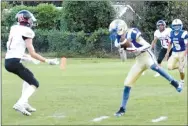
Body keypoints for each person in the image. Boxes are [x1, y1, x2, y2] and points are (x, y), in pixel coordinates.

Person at [108, 19, 183, 117]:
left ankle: (175, 82)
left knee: (155, 67)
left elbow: (147, 45)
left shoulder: (132, 33)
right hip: (139, 60)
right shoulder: (118, 41)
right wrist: (121, 53)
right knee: (127, 83)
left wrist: (137, 48)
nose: (114, 34)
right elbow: (124, 60)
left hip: (146, 55)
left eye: (115, 31)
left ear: (121, 29)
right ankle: (122, 108)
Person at [4, 10, 59, 116]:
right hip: (14, 62)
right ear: (25, 20)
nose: (31, 21)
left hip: (9, 61)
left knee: (28, 78)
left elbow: (15, 48)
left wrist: (26, 57)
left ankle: (24, 103)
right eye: (29, 19)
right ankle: (20, 103)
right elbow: (33, 53)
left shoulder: (14, 28)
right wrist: (47, 61)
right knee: (35, 83)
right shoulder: (27, 31)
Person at [165, 19, 188, 85]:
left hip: (182, 52)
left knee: (181, 70)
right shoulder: (171, 33)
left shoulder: (184, 33)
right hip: (174, 53)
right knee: (169, 67)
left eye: (178, 25)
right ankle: (179, 66)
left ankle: (182, 81)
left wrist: (185, 54)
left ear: (181, 26)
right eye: (175, 26)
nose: (177, 27)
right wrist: (167, 52)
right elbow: (170, 43)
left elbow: (187, 45)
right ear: (172, 26)